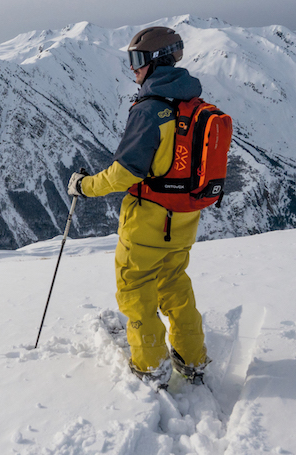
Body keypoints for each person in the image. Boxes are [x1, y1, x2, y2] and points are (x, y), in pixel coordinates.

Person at [67, 26, 210, 388]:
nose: (133, 70)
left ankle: (150, 366)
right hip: (185, 218)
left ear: (152, 61)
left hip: (148, 223)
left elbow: (123, 174)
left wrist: (85, 186)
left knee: (136, 290)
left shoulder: (151, 111)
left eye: (136, 61)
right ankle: (192, 358)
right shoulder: (192, 104)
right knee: (175, 285)